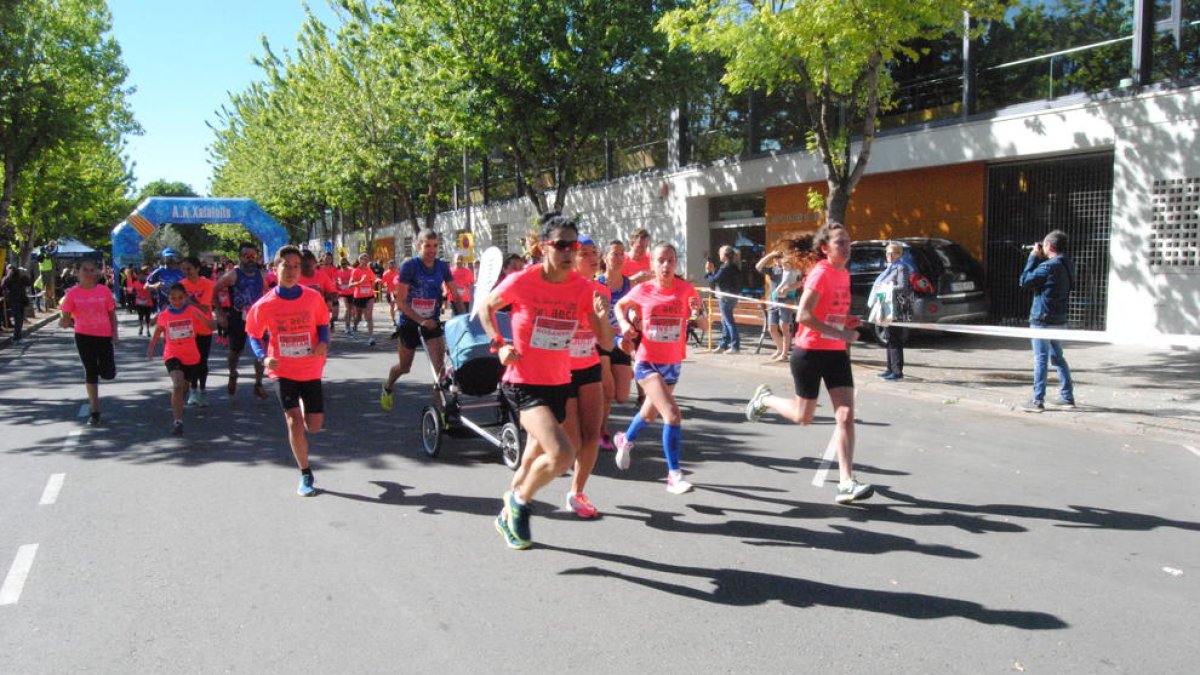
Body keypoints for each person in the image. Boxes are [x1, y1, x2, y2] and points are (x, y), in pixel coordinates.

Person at [481, 212, 611, 549]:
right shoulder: (523, 280)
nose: (570, 252)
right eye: (562, 245)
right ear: (543, 248)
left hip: (558, 382)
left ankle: (504, 514)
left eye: (575, 246)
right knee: (561, 454)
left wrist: (600, 318)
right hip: (523, 382)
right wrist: (499, 344)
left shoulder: (583, 288)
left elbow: (606, 342)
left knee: (532, 458)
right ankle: (519, 502)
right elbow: (485, 308)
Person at [744, 223, 875, 505]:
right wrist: (841, 331)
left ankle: (846, 482)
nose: (847, 246)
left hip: (836, 353)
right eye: (840, 242)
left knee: (845, 416)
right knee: (804, 417)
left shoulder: (843, 273)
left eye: (848, 241)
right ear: (825, 249)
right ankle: (766, 399)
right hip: (810, 352)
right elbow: (803, 316)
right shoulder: (821, 273)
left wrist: (846, 321)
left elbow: (829, 312)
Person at [510, 234, 614, 519]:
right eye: (585, 253)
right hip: (558, 372)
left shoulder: (600, 292)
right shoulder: (554, 287)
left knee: (592, 435)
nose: (593, 258)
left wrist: (603, 320)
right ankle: (515, 495)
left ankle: (577, 493)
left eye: (594, 252)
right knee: (554, 446)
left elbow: (607, 342)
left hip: (589, 366)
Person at [612, 242, 705, 494]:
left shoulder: (686, 290)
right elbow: (619, 306)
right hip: (647, 361)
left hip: (673, 363)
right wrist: (623, 324)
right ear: (652, 264)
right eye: (661, 260)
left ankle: (625, 439)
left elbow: (702, 320)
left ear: (676, 263)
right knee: (672, 414)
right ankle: (673, 475)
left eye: (671, 260)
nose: (666, 265)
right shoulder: (643, 290)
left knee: (650, 413)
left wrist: (699, 313)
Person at [245, 246, 332, 496]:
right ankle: (305, 474)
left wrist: (323, 342)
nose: (292, 270)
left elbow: (322, 323)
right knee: (293, 422)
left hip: (310, 367)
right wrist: (264, 357)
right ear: (275, 269)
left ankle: (305, 409)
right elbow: (253, 334)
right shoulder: (265, 304)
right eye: (286, 265)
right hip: (283, 370)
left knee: (314, 427)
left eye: (296, 266)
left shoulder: (312, 297)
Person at [379, 230, 464, 411]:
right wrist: (420, 320)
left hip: (431, 323)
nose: (432, 250)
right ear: (418, 246)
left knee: (439, 369)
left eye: (435, 246)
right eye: (427, 246)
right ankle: (387, 387)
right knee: (404, 367)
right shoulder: (410, 266)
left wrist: (466, 319)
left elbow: (455, 295)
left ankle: (442, 412)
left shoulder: (442, 266)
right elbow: (400, 302)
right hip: (410, 322)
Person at [146, 283, 216, 434]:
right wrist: (151, 348)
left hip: (191, 356)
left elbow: (209, 326)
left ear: (185, 297)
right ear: (168, 298)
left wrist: (217, 323)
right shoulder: (164, 314)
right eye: (173, 298)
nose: (177, 301)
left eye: (180, 298)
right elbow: (158, 331)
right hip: (172, 354)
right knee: (177, 384)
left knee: (183, 386)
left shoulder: (192, 311)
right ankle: (178, 421)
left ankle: (180, 399)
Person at [1019, 229, 1076, 412]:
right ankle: (1067, 397)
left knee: (1041, 359)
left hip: (1042, 320)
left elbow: (1024, 280)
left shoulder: (1047, 267)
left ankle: (1037, 401)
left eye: (1044, 245)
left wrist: (1033, 258)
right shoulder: (1067, 264)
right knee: (1057, 357)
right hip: (1059, 318)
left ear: (1049, 246)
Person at [59, 259, 118, 426]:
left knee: (108, 373)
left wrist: (115, 335)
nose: (89, 273)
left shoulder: (104, 291)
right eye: (85, 270)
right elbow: (65, 317)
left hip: (104, 335)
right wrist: (63, 322)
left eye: (92, 270)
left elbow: (112, 315)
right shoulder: (72, 294)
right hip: (83, 336)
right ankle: (95, 411)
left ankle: (102, 368)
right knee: (90, 371)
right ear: (77, 272)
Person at [213, 242, 269, 399]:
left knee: (261, 351)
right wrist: (220, 313)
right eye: (246, 256)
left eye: (253, 256)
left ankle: (258, 383)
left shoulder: (261, 274)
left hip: (257, 318)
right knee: (234, 352)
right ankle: (232, 373)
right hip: (238, 317)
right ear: (240, 257)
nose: (250, 259)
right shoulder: (233, 275)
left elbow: (266, 293)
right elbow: (214, 290)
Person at [596, 240, 635, 450]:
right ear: (605, 258)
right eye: (614, 254)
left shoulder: (629, 284)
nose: (619, 258)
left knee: (621, 396)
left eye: (622, 254)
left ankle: (593, 420)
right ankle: (601, 432)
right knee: (608, 393)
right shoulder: (597, 283)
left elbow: (635, 311)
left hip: (622, 343)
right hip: (602, 342)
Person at [869, 242, 914, 380]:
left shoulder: (901, 267)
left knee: (895, 339)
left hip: (896, 309)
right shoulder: (890, 268)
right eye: (887, 253)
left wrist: (887, 288)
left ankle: (897, 371)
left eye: (893, 253)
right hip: (887, 307)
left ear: (899, 254)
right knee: (888, 338)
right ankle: (889, 368)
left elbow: (903, 287)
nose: (889, 255)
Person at [755, 243, 804, 362]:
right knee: (772, 328)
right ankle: (779, 348)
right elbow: (758, 267)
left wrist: (789, 288)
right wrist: (770, 255)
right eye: (775, 258)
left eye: (779, 257)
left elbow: (800, 282)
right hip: (773, 300)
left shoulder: (790, 268)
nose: (777, 260)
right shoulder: (773, 269)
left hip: (786, 299)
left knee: (784, 326)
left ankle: (784, 353)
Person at [180, 256, 216, 406]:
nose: (186, 272)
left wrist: (190, 301)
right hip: (188, 329)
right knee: (191, 361)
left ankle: (203, 391)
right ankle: (193, 390)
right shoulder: (181, 285)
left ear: (197, 269)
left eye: (189, 269)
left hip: (204, 327)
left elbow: (205, 308)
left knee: (202, 361)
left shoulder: (207, 284)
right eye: (184, 269)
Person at [705, 244, 742, 354]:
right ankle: (723, 345)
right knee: (725, 321)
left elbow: (714, 279)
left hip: (726, 297)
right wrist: (712, 271)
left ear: (725, 256)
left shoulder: (726, 267)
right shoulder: (731, 266)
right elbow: (718, 277)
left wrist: (708, 272)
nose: (718, 255)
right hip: (729, 296)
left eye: (720, 254)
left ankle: (735, 346)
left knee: (728, 322)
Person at [348, 253, 378, 345]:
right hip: (358, 297)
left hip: (369, 296)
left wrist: (377, 281)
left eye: (367, 259)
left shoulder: (369, 270)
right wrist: (360, 282)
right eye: (363, 259)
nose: (365, 261)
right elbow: (350, 285)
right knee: (358, 317)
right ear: (359, 260)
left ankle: (371, 338)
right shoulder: (355, 271)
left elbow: (373, 281)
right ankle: (354, 326)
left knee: (369, 316)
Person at [2, 264, 30, 345]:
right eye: (9, 269)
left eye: (12, 269)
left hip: (21, 300)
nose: (11, 270)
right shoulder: (7, 278)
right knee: (18, 319)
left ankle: (18, 337)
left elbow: (28, 283)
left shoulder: (20, 277)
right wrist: (7, 276)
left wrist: (24, 274)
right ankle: (16, 338)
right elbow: (3, 286)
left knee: (20, 319)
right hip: (14, 301)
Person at [131, 267, 154, 336]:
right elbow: (133, 291)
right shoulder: (135, 283)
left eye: (143, 275)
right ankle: (141, 327)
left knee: (147, 316)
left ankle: (147, 330)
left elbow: (153, 291)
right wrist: (137, 295)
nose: (141, 276)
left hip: (148, 302)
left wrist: (151, 296)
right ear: (138, 276)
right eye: (140, 275)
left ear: (145, 276)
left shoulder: (148, 283)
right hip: (139, 302)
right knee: (140, 316)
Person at [380, 258, 400, 324]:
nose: (392, 267)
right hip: (390, 292)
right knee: (392, 306)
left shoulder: (398, 272)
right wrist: (385, 285)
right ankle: (394, 320)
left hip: (398, 292)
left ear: (395, 266)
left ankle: (398, 319)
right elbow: (383, 282)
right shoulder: (386, 273)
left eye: (393, 266)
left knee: (398, 306)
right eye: (390, 266)